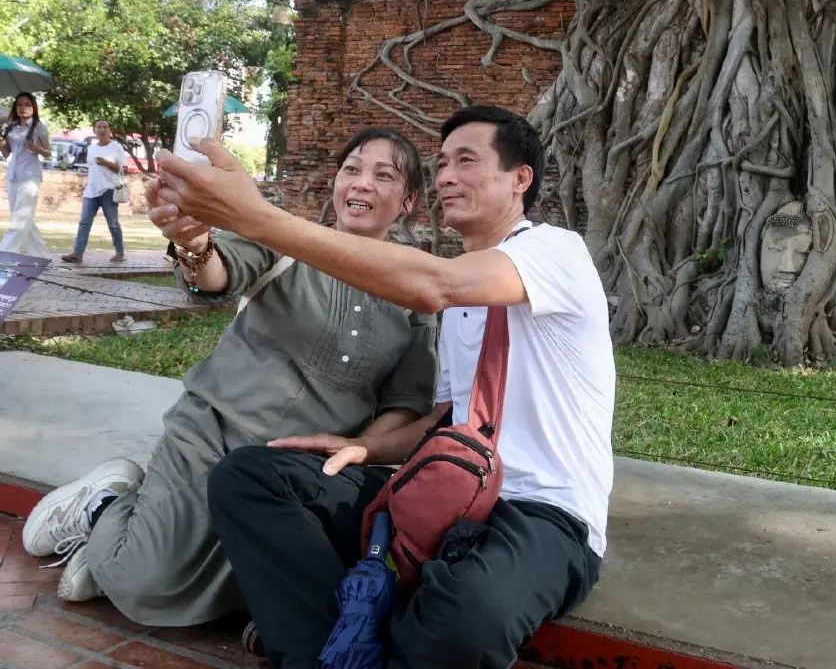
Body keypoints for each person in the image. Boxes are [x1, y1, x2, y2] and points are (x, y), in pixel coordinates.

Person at [150, 105, 615, 669]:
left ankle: (321, 644)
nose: (445, 176)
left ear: (521, 179)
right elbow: (446, 420)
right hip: (447, 491)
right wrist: (365, 448)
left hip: (542, 511)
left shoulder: (553, 252)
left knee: (464, 622)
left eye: (466, 161)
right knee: (251, 478)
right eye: (441, 163)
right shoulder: (461, 307)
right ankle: (345, 644)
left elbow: (432, 285)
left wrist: (257, 216)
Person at [20, 127, 439, 630]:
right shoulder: (285, 241)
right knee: (145, 587)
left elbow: (405, 399)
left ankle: (137, 545)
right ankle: (107, 505)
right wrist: (195, 243)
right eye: (351, 169)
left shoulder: (416, 293)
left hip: (296, 472)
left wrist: (358, 448)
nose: (361, 183)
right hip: (214, 434)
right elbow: (219, 273)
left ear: (409, 200)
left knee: (262, 595)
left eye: (383, 175)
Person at [61, 119, 127, 263]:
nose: (102, 130)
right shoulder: (91, 148)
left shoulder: (116, 147)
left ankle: (120, 252)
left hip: (109, 190)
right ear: (94, 130)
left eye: (105, 127)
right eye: (99, 127)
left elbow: (123, 169)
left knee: (113, 223)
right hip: (91, 191)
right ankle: (77, 254)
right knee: (84, 222)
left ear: (110, 130)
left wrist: (107, 163)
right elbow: (92, 169)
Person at [0, 93, 52, 258]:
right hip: (13, 176)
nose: (23, 108)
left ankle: (4, 254)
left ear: (33, 107)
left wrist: (39, 149)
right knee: (23, 217)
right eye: (19, 104)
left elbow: (49, 153)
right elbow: (7, 153)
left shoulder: (39, 127)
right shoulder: (11, 127)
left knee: (20, 219)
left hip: (30, 177)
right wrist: (1, 144)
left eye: (27, 104)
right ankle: (41, 257)